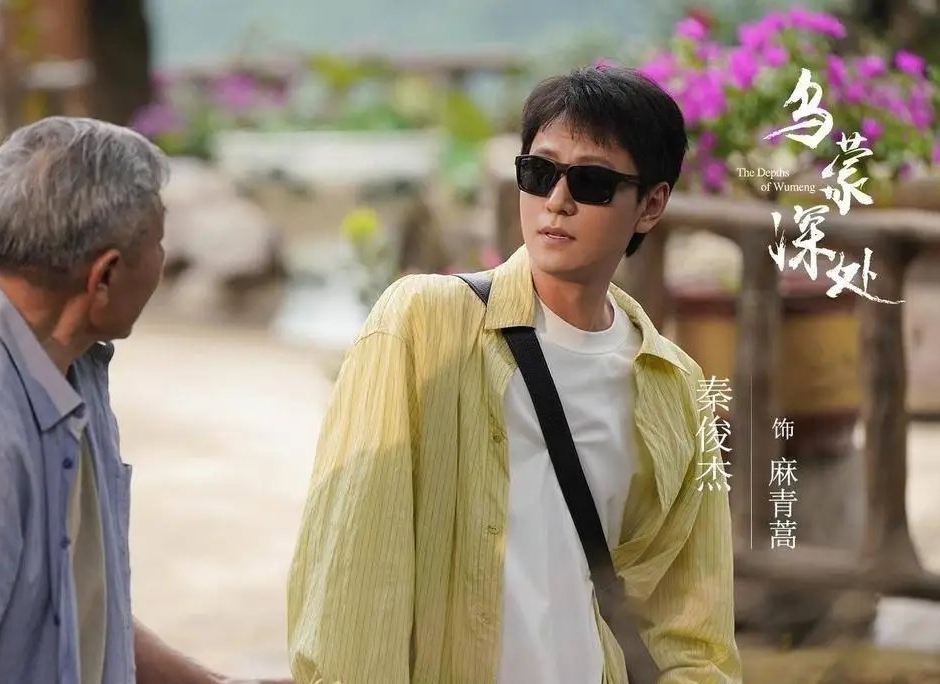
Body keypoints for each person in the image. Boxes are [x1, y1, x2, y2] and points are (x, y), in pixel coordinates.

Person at [287, 66, 743, 683]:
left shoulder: (678, 388)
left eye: (592, 182)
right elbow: (352, 566)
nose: (558, 201)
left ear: (651, 205)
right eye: (539, 172)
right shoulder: (423, 323)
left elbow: (693, 632)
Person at [0, 117, 287, 684]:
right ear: (104, 276)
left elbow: (67, 607)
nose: (163, 262)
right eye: (159, 244)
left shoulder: (69, 363)